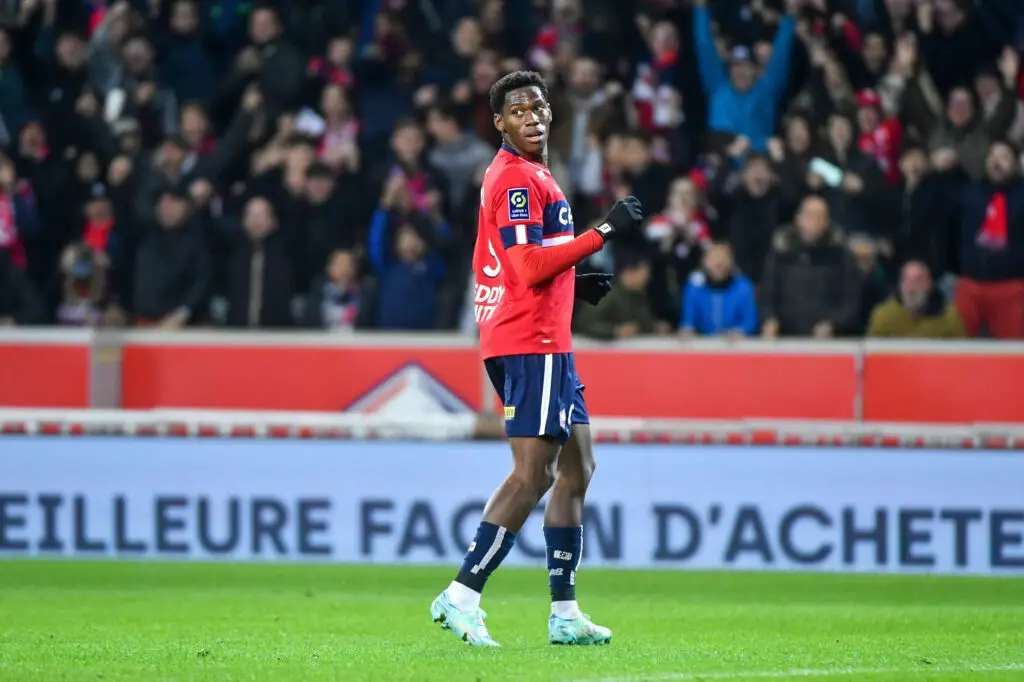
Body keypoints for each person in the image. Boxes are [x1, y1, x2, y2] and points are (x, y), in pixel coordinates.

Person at [430, 70, 643, 647]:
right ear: (500, 122)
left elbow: (524, 259)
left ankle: (565, 614)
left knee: (578, 468)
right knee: (535, 473)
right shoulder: (515, 180)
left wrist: (572, 280)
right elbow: (526, 268)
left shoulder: (533, 174)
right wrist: (604, 231)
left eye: (538, 107)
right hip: (529, 342)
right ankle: (461, 595)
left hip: (546, 339)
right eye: (518, 111)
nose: (532, 118)